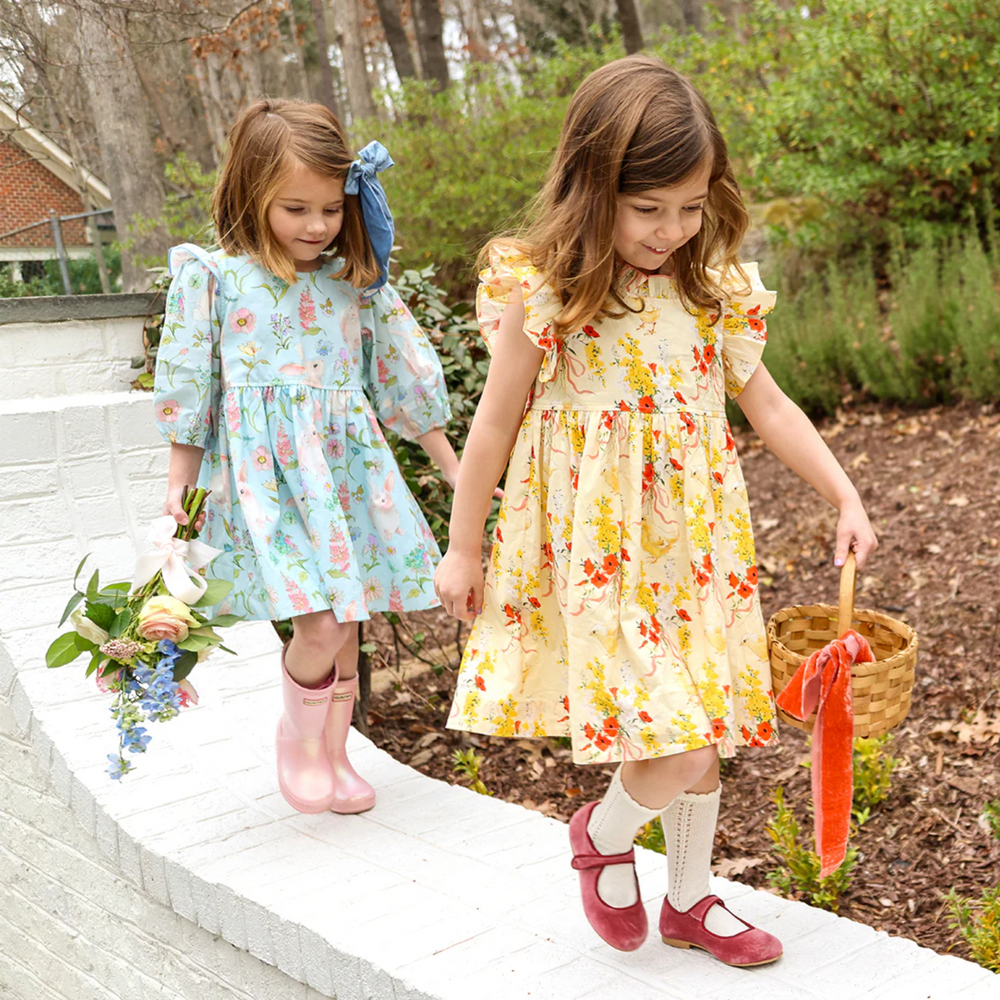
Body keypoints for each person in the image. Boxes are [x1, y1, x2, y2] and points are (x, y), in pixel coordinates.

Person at [434, 55, 877, 965]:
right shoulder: (547, 292)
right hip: (601, 556)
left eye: (691, 206)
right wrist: (462, 547)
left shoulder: (709, 291)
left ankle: (689, 900)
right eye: (650, 209)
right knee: (673, 743)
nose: (674, 229)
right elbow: (493, 423)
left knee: (699, 733)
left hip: (697, 554)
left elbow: (772, 406)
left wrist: (843, 491)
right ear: (591, 186)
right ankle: (601, 835)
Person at [154, 99, 458, 816]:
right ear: (251, 193)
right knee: (318, 625)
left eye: (329, 208)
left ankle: (337, 753)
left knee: (348, 623)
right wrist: (180, 483)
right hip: (267, 479)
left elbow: (400, 377)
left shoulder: (352, 283)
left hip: (344, 472)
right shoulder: (217, 278)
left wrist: (453, 466)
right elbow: (189, 377)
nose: (317, 226)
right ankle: (298, 737)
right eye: (295, 208)